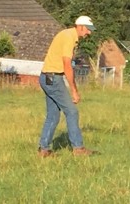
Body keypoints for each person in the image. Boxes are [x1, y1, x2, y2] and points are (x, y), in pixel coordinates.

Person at [38, 16, 97, 157]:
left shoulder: (67, 34)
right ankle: (78, 148)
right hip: (53, 78)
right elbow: (67, 66)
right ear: (80, 26)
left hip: (46, 77)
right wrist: (74, 91)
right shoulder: (69, 37)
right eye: (88, 29)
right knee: (72, 112)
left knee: (53, 116)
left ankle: (43, 150)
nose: (89, 33)